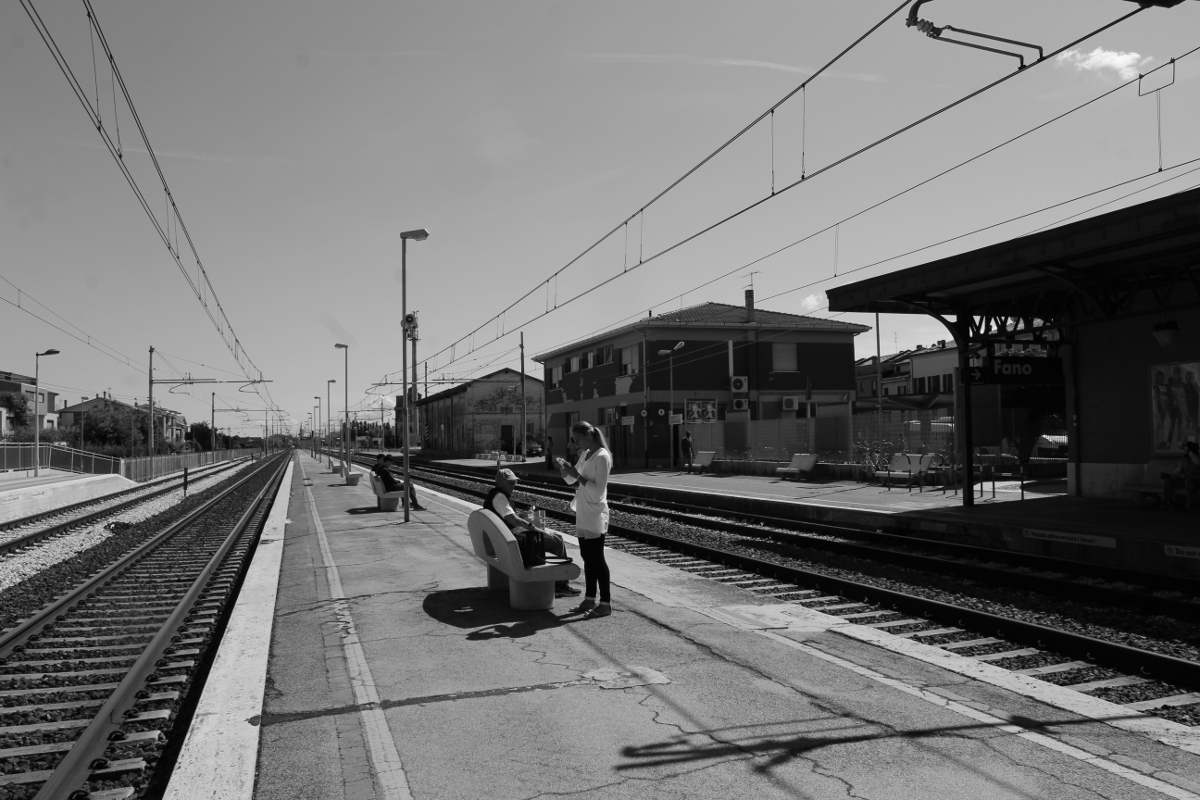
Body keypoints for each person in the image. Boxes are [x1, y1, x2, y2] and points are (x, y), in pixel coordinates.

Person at [484, 469, 579, 597]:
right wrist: (541, 532)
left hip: (504, 539)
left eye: (514, 482)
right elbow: (516, 521)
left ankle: (559, 583)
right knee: (557, 540)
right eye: (510, 483)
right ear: (500, 483)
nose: (514, 485)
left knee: (551, 535)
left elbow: (511, 521)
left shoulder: (494, 495)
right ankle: (560, 585)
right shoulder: (499, 497)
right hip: (513, 542)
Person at [557, 421, 613, 619]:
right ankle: (589, 598)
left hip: (595, 512)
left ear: (588, 435)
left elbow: (598, 491)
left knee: (597, 558)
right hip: (583, 511)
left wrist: (576, 475)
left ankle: (605, 602)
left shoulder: (602, 457)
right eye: (574, 440)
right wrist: (564, 470)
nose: (576, 443)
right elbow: (571, 480)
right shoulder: (585, 454)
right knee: (587, 557)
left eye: (577, 439)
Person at [1163, 440, 1200, 510]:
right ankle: (1168, 502)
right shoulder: (1184, 459)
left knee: (1189, 481)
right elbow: (1178, 471)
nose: (1185, 451)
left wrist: (1191, 454)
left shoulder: (1197, 457)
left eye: (1187, 449)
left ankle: (1192, 504)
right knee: (1169, 481)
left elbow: (1197, 462)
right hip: (1187, 480)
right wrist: (1171, 476)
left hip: (1197, 480)